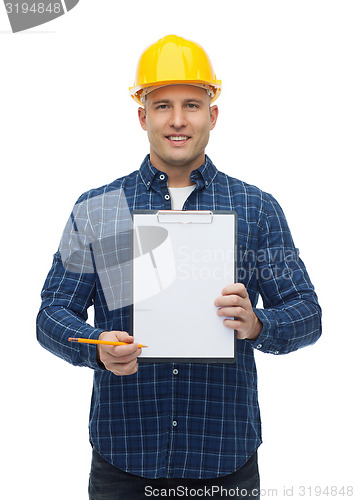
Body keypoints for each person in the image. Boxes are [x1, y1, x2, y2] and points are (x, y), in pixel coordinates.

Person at [36, 34, 322, 499]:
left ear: (212, 113)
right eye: (162, 104)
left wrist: (257, 323)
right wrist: (97, 347)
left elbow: (307, 313)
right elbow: (51, 314)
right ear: (142, 115)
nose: (177, 120)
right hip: (123, 457)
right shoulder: (98, 208)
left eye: (191, 104)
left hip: (224, 459)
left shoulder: (256, 208)